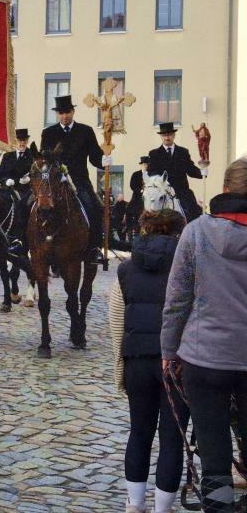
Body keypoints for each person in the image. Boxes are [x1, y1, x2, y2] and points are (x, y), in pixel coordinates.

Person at [162, 156, 247, 513]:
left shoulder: (197, 231)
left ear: (225, 190)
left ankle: (219, 507)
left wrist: (168, 348)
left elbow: (178, 297)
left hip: (204, 356)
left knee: (213, 451)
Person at [109, 209, 189, 513]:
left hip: (137, 359)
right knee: (172, 437)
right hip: (176, 362)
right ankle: (162, 508)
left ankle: (135, 504)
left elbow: (116, 320)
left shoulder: (126, 269)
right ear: (178, 234)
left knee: (139, 431)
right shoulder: (187, 265)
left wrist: (121, 366)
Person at [40, 95, 111, 264]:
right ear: (58, 114)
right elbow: (44, 158)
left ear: (73, 112)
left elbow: (94, 156)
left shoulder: (85, 131)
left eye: (68, 112)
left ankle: (94, 248)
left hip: (79, 181)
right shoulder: (48, 133)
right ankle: (29, 244)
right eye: (61, 113)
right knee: (33, 205)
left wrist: (103, 160)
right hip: (54, 182)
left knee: (95, 208)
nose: (65, 116)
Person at [148, 123, 205, 221]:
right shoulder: (154, 154)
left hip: (182, 192)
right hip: (164, 192)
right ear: (161, 136)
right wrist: (160, 181)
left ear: (174, 135)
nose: (167, 137)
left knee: (194, 212)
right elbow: (151, 172)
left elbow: (190, 169)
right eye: (164, 135)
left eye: (169, 134)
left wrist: (202, 172)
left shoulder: (183, 152)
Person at [0, 128, 34, 252]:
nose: (22, 143)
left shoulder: (32, 156)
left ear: (27, 141)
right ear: (15, 141)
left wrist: (29, 179)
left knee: (22, 205)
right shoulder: (8, 156)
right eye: (19, 140)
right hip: (10, 189)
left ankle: (20, 238)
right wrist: (6, 181)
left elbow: (38, 173)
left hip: (27, 190)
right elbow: (0, 175)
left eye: (24, 140)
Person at [125, 156, 150, 236]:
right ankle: (129, 228)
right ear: (141, 165)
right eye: (144, 164)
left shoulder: (151, 175)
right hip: (137, 197)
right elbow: (132, 185)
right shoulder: (136, 174)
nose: (146, 166)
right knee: (129, 209)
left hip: (149, 197)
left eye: (147, 164)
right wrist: (140, 190)